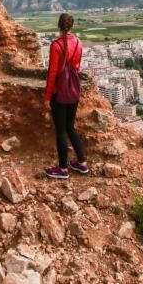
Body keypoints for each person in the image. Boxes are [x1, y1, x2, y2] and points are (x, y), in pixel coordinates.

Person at [43, 13, 88, 179]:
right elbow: (76, 67)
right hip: (74, 91)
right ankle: (82, 163)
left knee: (61, 131)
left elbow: (53, 72)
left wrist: (48, 97)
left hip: (59, 92)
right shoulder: (78, 43)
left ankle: (62, 169)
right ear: (72, 26)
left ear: (58, 26)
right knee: (70, 127)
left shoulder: (56, 45)